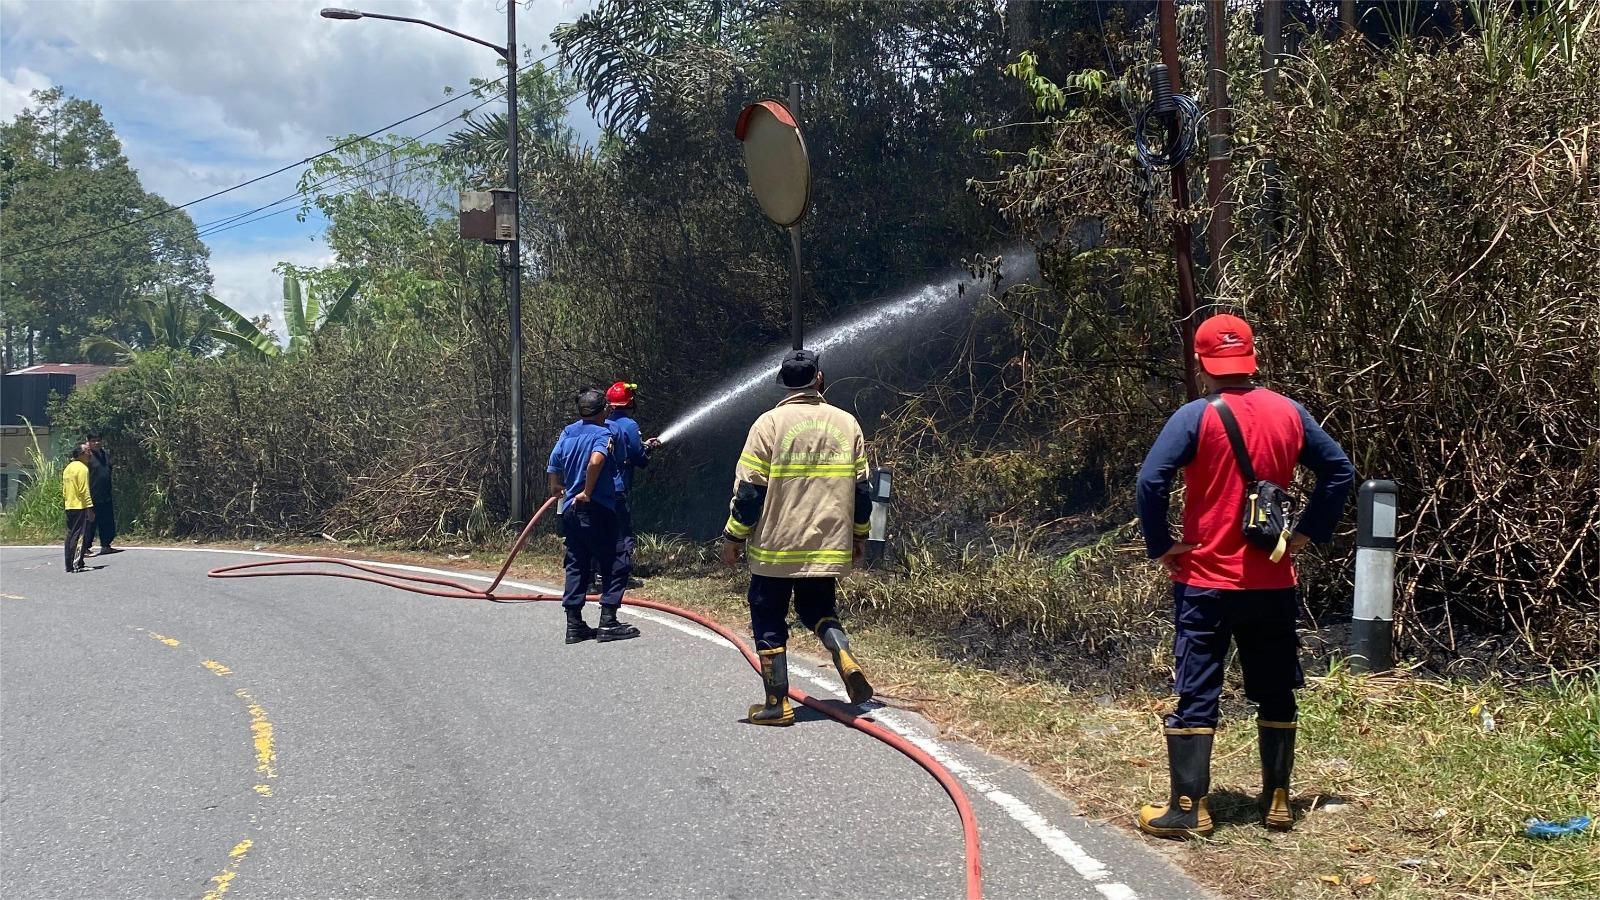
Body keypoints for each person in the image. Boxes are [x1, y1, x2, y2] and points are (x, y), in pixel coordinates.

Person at [1134, 313, 1354, 838]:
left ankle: (1190, 807)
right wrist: (1306, 532)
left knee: (1198, 687)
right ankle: (1277, 800)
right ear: (1251, 359)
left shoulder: (1194, 417)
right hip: (1274, 579)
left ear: (1203, 364)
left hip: (1206, 580)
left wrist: (1164, 545)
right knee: (1276, 687)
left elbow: (1150, 481)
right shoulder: (1290, 413)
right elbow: (1339, 470)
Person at [721, 349, 875, 726]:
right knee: (818, 610)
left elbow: (749, 492)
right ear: (819, 379)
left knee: (767, 614)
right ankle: (843, 654)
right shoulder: (847, 423)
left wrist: (734, 537)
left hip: (777, 547)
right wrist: (859, 536)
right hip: (826, 544)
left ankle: (777, 704)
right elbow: (863, 492)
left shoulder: (768, 425)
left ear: (783, 386)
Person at [546, 388, 641, 645]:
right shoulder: (603, 433)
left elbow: (554, 461)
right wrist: (587, 491)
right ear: (605, 410)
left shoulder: (568, 431)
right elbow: (596, 461)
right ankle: (608, 622)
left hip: (570, 512)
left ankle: (574, 625)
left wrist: (556, 486)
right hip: (596, 508)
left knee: (577, 563)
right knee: (617, 560)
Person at [604, 382, 662, 589]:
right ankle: (621, 577)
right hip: (619, 487)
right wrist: (648, 450)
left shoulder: (603, 423)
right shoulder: (629, 425)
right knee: (622, 533)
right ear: (631, 402)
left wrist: (643, 444)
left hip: (599, 489)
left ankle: (596, 575)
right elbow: (639, 457)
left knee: (601, 531)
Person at [62, 444, 95, 573]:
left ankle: (72, 563)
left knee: (70, 534)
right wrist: (89, 508)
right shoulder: (82, 469)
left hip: (69, 505)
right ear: (80, 454)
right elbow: (84, 490)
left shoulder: (68, 468)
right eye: (87, 451)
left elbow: (65, 490)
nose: (90, 454)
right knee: (79, 535)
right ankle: (75, 564)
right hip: (79, 506)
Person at [86, 431, 120, 555]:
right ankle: (85, 548)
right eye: (93, 440)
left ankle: (106, 545)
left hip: (105, 494)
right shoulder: (87, 456)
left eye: (98, 440)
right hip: (92, 496)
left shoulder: (105, 455)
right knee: (90, 523)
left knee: (107, 522)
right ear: (88, 442)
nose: (96, 443)